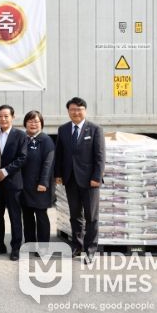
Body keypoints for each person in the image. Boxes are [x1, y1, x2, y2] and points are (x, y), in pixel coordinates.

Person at [54, 97, 105, 263]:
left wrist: (97, 177)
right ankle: (77, 246)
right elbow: (59, 154)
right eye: (72, 110)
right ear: (68, 111)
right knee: (75, 215)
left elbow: (100, 156)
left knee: (91, 217)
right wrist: (58, 174)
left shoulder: (95, 129)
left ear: (85, 111)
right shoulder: (63, 129)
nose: (75, 112)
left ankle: (91, 250)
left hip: (90, 181)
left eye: (79, 109)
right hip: (70, 179)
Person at [0, 105, 27, 261]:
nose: (3, 119)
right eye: (0, 116)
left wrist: (5, 171)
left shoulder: (20, 135)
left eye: (6, 116)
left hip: (13, 183)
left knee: (15, 216)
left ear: (13, 117)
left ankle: (16, 247)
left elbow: (23, 157)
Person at [21, 110, 55, 244]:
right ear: (25, 123)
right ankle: (30, 244)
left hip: (39, 186)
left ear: (41, 124)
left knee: (41, 216)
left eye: (36, 121)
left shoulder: (46, 140)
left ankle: (43, 246)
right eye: (30, 121)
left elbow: (48, 163)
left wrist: (43, 182)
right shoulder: (22, 139)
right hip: (24, 185)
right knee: (27, 216)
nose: (33, 124)